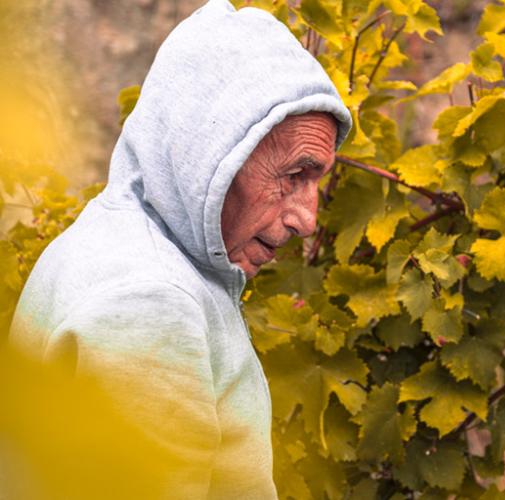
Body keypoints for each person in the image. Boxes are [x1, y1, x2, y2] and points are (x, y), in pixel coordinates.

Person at [8, 0, 351, 498]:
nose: (307, 219)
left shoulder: (110, 238)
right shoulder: (149, 304)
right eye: (293, 175)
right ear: (209, 154)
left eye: (316, 182)